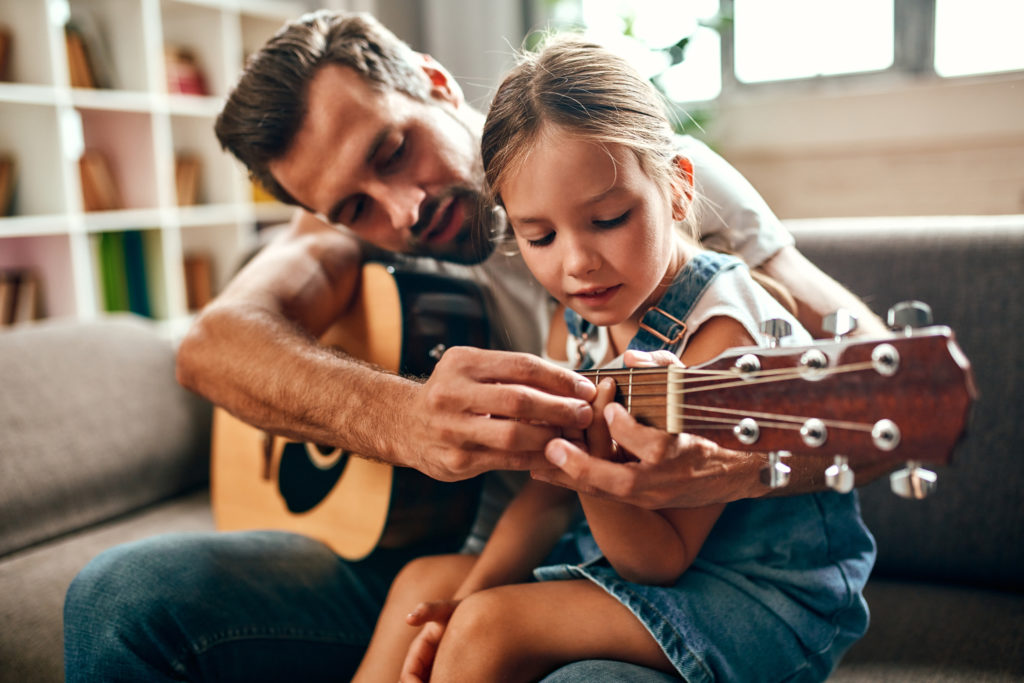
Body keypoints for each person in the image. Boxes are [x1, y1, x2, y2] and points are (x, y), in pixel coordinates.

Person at [63, 10, 884, 682]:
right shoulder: (359, 236)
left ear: (434, 81)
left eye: (393, 150)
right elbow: (213, 346)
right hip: (492, 545)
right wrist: (405, 418)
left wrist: (729, 462)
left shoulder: (641, 175)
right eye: (352, 208)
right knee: (116, 597)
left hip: (674, 570)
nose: (402, 212)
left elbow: (881, 387)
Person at [348, 34, 876, 682]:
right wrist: (464, 594)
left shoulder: (722, 337)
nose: (577, 263)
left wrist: (585, 458)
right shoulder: (571, 322)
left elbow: (659, 559)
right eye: (538, 235)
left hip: (757, 593)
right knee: (423, 585)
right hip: (618, 559)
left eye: (608, 218)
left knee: (489, 627)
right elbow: (546, 501)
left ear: (678, 189)